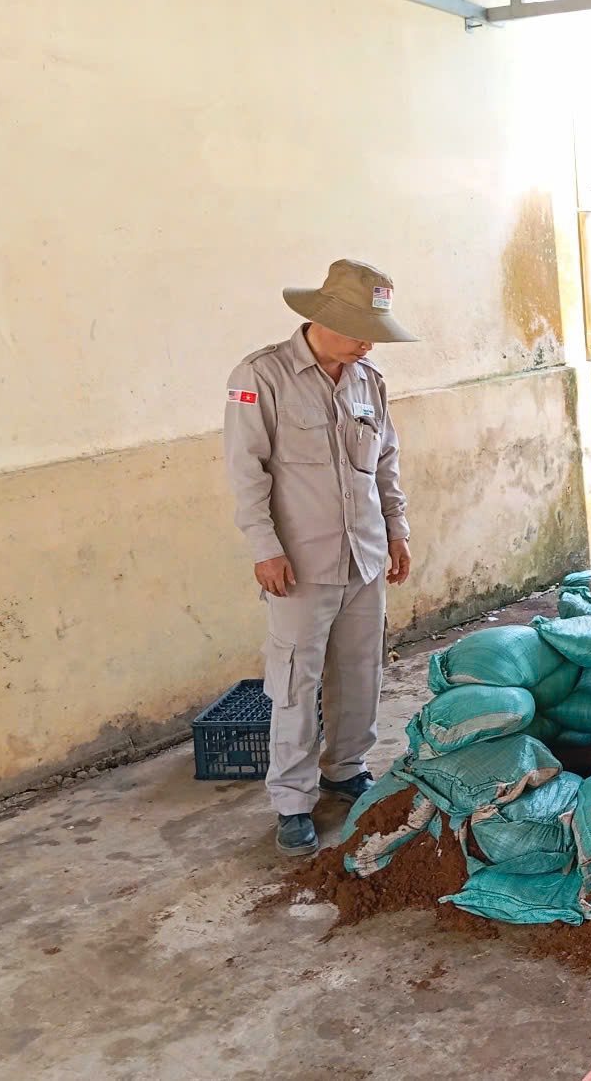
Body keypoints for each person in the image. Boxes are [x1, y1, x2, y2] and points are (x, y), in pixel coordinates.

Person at [224, 259, 417, 856]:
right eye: (360, 327)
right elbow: (245, 471)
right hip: (299, 567)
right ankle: (291, 799)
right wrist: (265, 549)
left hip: (364, 557)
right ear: (321, 317)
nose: (369, 341)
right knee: (294, 682)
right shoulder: (263, 376)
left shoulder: (369, 382)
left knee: (360, 672)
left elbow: (384, 464)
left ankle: (344, 769)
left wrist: (397, 531)